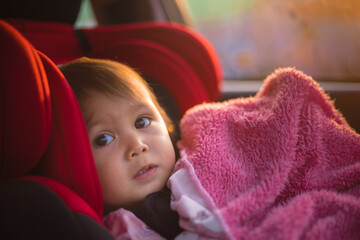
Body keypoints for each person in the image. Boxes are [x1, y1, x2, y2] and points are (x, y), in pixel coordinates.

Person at [59, 57, 183, 239]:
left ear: (166, 123)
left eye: (142, 122)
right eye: (104, 139)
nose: (137, 146)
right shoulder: (117, 231)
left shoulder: (197, 168)